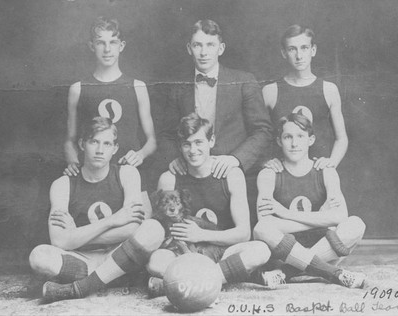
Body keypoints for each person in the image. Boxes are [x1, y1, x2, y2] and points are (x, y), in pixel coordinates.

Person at [29, 117, 164, 302]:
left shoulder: (127, 174)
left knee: (153, 229)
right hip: (85, 258)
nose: (100, 150)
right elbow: (58, 240)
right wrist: (112, 220)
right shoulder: (62, 185)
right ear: (82, 144)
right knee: (39, 256)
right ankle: (114, 275)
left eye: (107, 144)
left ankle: (83, 287)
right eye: (94, 142)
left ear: (115, 148)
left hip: (118, 251)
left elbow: (132, 229)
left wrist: (75, 235)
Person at [158, 19, 272, 227]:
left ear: (221, 48)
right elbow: (166, 134)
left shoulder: (244, 81)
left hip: (232, 175)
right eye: (197, 45)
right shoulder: (178, 86)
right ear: (189, 49)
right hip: (193, 178)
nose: (203, 52)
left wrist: (235, 159)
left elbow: (262, 131)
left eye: (210, 45)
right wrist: (174, 158)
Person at [147, 113, 275, 297]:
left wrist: (201, 234)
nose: (193, 150)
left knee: (260, 251)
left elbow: (243, 233)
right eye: (186, 144)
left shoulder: (231, 175)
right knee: (156, 261)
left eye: (199, 142)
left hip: (221, 251)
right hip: (184, 254)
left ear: (211, 141)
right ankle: (224, 277)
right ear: (180, 147)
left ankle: (186, 282)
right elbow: (163, 233)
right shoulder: (169, 178)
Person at [253, 113, 366, 288]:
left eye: (300, 136)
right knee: (262, 229)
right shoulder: (268, 174)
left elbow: (341, 215)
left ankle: (287, 273)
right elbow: (265, 221)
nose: (294, 143)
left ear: (311, 140)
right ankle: (330, 273)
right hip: (286, 249)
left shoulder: (326, 171)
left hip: (321, 245)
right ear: (279, 141)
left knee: (356, 224)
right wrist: (321, 219)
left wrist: (285, 213)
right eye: (288, 137)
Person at [64, 16, 156, 177]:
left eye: (113, 42)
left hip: (129, 173)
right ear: (92, 46)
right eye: (101, 43)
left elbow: (151, 141)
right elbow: (70, 141)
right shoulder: (78, 89)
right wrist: (74, 163)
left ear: (121, 46)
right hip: (92, 175)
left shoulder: (138, 87)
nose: (107, 49)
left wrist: (140, 154)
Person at [262, 25, 348, 172]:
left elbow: (342, 138)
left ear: (313, 50)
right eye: (292, 49)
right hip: (281, 175)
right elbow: (257, 136)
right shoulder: (270, 91)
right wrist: (265, 161)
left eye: (304, 48)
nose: (299, 56)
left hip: (319, 174)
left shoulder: (329, 89)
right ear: (284, 53)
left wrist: (331, 163)